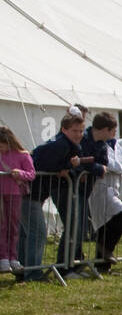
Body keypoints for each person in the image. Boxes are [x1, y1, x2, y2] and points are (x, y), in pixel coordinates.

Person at [31, 113, 96, 270]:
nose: (79, 134)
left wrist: (68, 168)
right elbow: (41, 164)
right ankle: (63, 266)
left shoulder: (71, 144)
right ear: (64, 130)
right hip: (55, 188)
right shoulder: (60, 144)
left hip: (58, 187)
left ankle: (68, 263)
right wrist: (64, 167)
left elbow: (71, 165)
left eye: (81, 131)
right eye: (75, 131)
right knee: (72, 226)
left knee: (74, 226)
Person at [87, 113, 122, 271]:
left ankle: (102, 265)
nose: (115, 133)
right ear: (107, 129)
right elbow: (109, 163)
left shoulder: (115, 144)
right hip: (100, 188)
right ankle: (106, 251)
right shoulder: (98, 144)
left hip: (114, 188)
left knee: (107, 225)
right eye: (113, 130)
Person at [0, 126, 35, 276]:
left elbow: (31, 174)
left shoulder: (22, 155)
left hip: (14, 194)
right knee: (1, 226)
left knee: (13, 226)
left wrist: (19, 173)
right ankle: (3, 257)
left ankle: (13, 256)